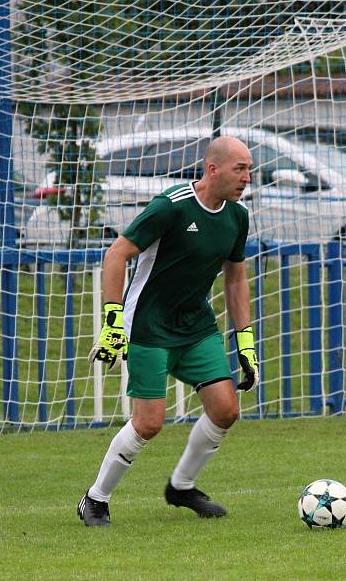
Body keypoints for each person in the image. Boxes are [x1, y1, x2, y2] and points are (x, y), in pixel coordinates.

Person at [77, 136, 259, 526]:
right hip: (148, 325)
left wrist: (245, 341)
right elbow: (116, 254)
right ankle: (95, 499)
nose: (247, 177)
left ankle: (181, 486)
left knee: (226, 410)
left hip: (195, 326)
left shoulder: (237, 216)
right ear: (213, 169)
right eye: (239, 168)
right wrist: (113, 324)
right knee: (149, 423)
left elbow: (235, 280)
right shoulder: (171, 206)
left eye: (249, 169)